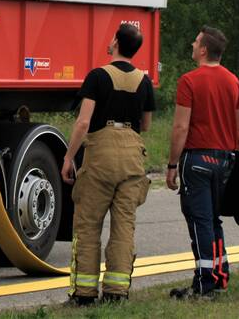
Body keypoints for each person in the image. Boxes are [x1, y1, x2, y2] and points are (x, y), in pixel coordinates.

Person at [61, 23, 155, 306]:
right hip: (132, 155)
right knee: (124, 225)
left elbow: (84, 122)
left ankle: (84, 294)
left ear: (115, 42)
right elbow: (146, 125)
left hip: (101, 154)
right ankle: (116, 292)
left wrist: (68, 157)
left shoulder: (98, 76)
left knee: (88, 224)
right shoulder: (144, 81)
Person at [165, 26, 239, 299]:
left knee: (199, 221)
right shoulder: (233, 81)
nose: (192, 43)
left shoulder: (189, 80)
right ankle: (220, 276)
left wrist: (172, 164)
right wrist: (233, 156)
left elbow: (180, 127)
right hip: (224, 158)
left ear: (203, 50)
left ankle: (204, 283)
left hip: (197, 157)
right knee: (213, 220)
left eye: (195, 41)